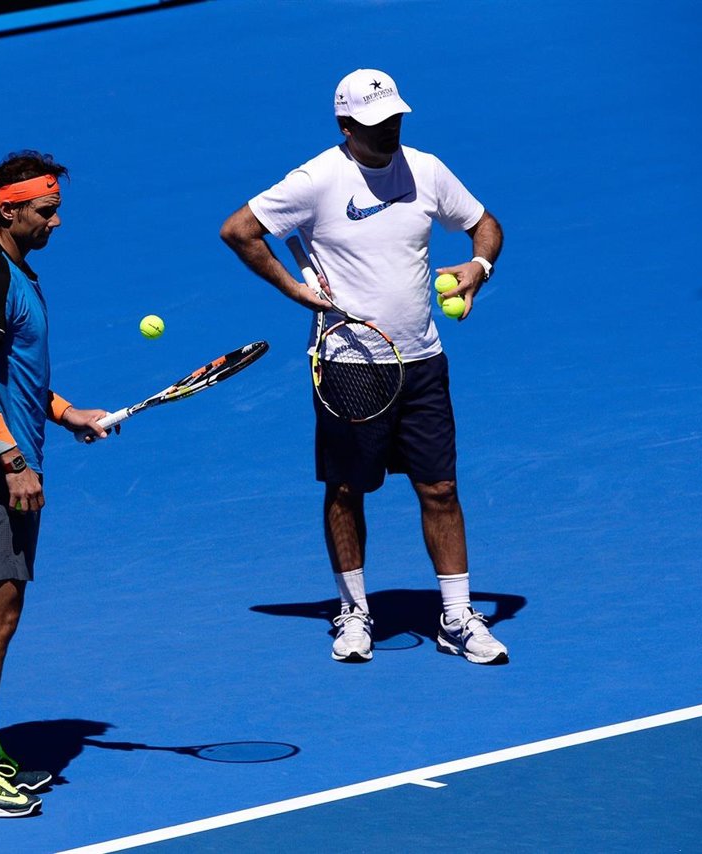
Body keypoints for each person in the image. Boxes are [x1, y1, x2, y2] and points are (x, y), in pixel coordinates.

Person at [219, 69, 509, 666]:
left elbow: (485, 223)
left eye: (396, 119)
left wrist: (477, 268)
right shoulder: (318, 178)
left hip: (422, 359)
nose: (390, 132)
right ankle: (353, 610)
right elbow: (240, 230)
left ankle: (457, 616)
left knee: (441, 489)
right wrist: (293, 290)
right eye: (376, 124)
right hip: (349, 364)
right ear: (346, 126)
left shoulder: (425, 168)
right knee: (347, 490)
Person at [0, 151, 115, 818]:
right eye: (46, 211)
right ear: (9, 211)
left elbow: (16, 377)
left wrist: (68, 415)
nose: (57, 221)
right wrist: (14, 462)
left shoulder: (15, 274)